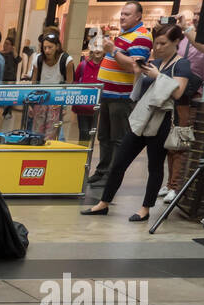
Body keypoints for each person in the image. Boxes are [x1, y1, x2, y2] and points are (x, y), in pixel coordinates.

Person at [82, 24, 191, 223]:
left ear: (176, 42)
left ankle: (145, 208)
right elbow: (138, 93)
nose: (157, 47)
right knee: (119, 161)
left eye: (163, 43)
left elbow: (177, 92)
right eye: (156, 43)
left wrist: (157, 76)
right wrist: (137, 72)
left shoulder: (181, 64)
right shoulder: (154, 61)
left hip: (162, 120)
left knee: (155, 166)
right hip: (143, 117)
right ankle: (104, 203)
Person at [90, 2, 153, 188]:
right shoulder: (125, 34)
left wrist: (113, 51)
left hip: (121, 96)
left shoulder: (141, 36)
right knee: (104, 136)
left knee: (117, 139)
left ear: (138, 17)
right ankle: (102, 171)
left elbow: (135, 67)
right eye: (122, 14)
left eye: (127, 14)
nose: (122, 17)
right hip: (108, 95)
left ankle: (112, 176)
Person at [162, 11, 204, 203]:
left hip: (192, 95)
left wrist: (187, 28)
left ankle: (176, 186)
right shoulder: (183, 38)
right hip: (174, 93)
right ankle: (169, 184)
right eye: (196, 13)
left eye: (200, 13)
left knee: (180, 141)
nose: (198, 17)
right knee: (170, 142)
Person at [26, 31, 73, 139]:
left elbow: (69, 84)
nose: (47, 50)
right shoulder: (38, 59)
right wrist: (30, 104)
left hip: (56, 101)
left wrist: (64, 105)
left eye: (50, 47)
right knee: (36, 133)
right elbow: (33, 83)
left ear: (57, 46)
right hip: (40, 100)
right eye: (45, 47)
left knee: (51, 135)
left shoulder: (67, 60)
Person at [73, 41, 102, 144]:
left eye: (101, 47)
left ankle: (86, 154)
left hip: (96, 106)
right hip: (82, 105)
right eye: (96, 47)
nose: (98, 50)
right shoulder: (83, 65)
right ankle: (82, 154)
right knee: (84, 132)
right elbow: (75, 81)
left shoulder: (105, 67)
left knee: (92, 133)